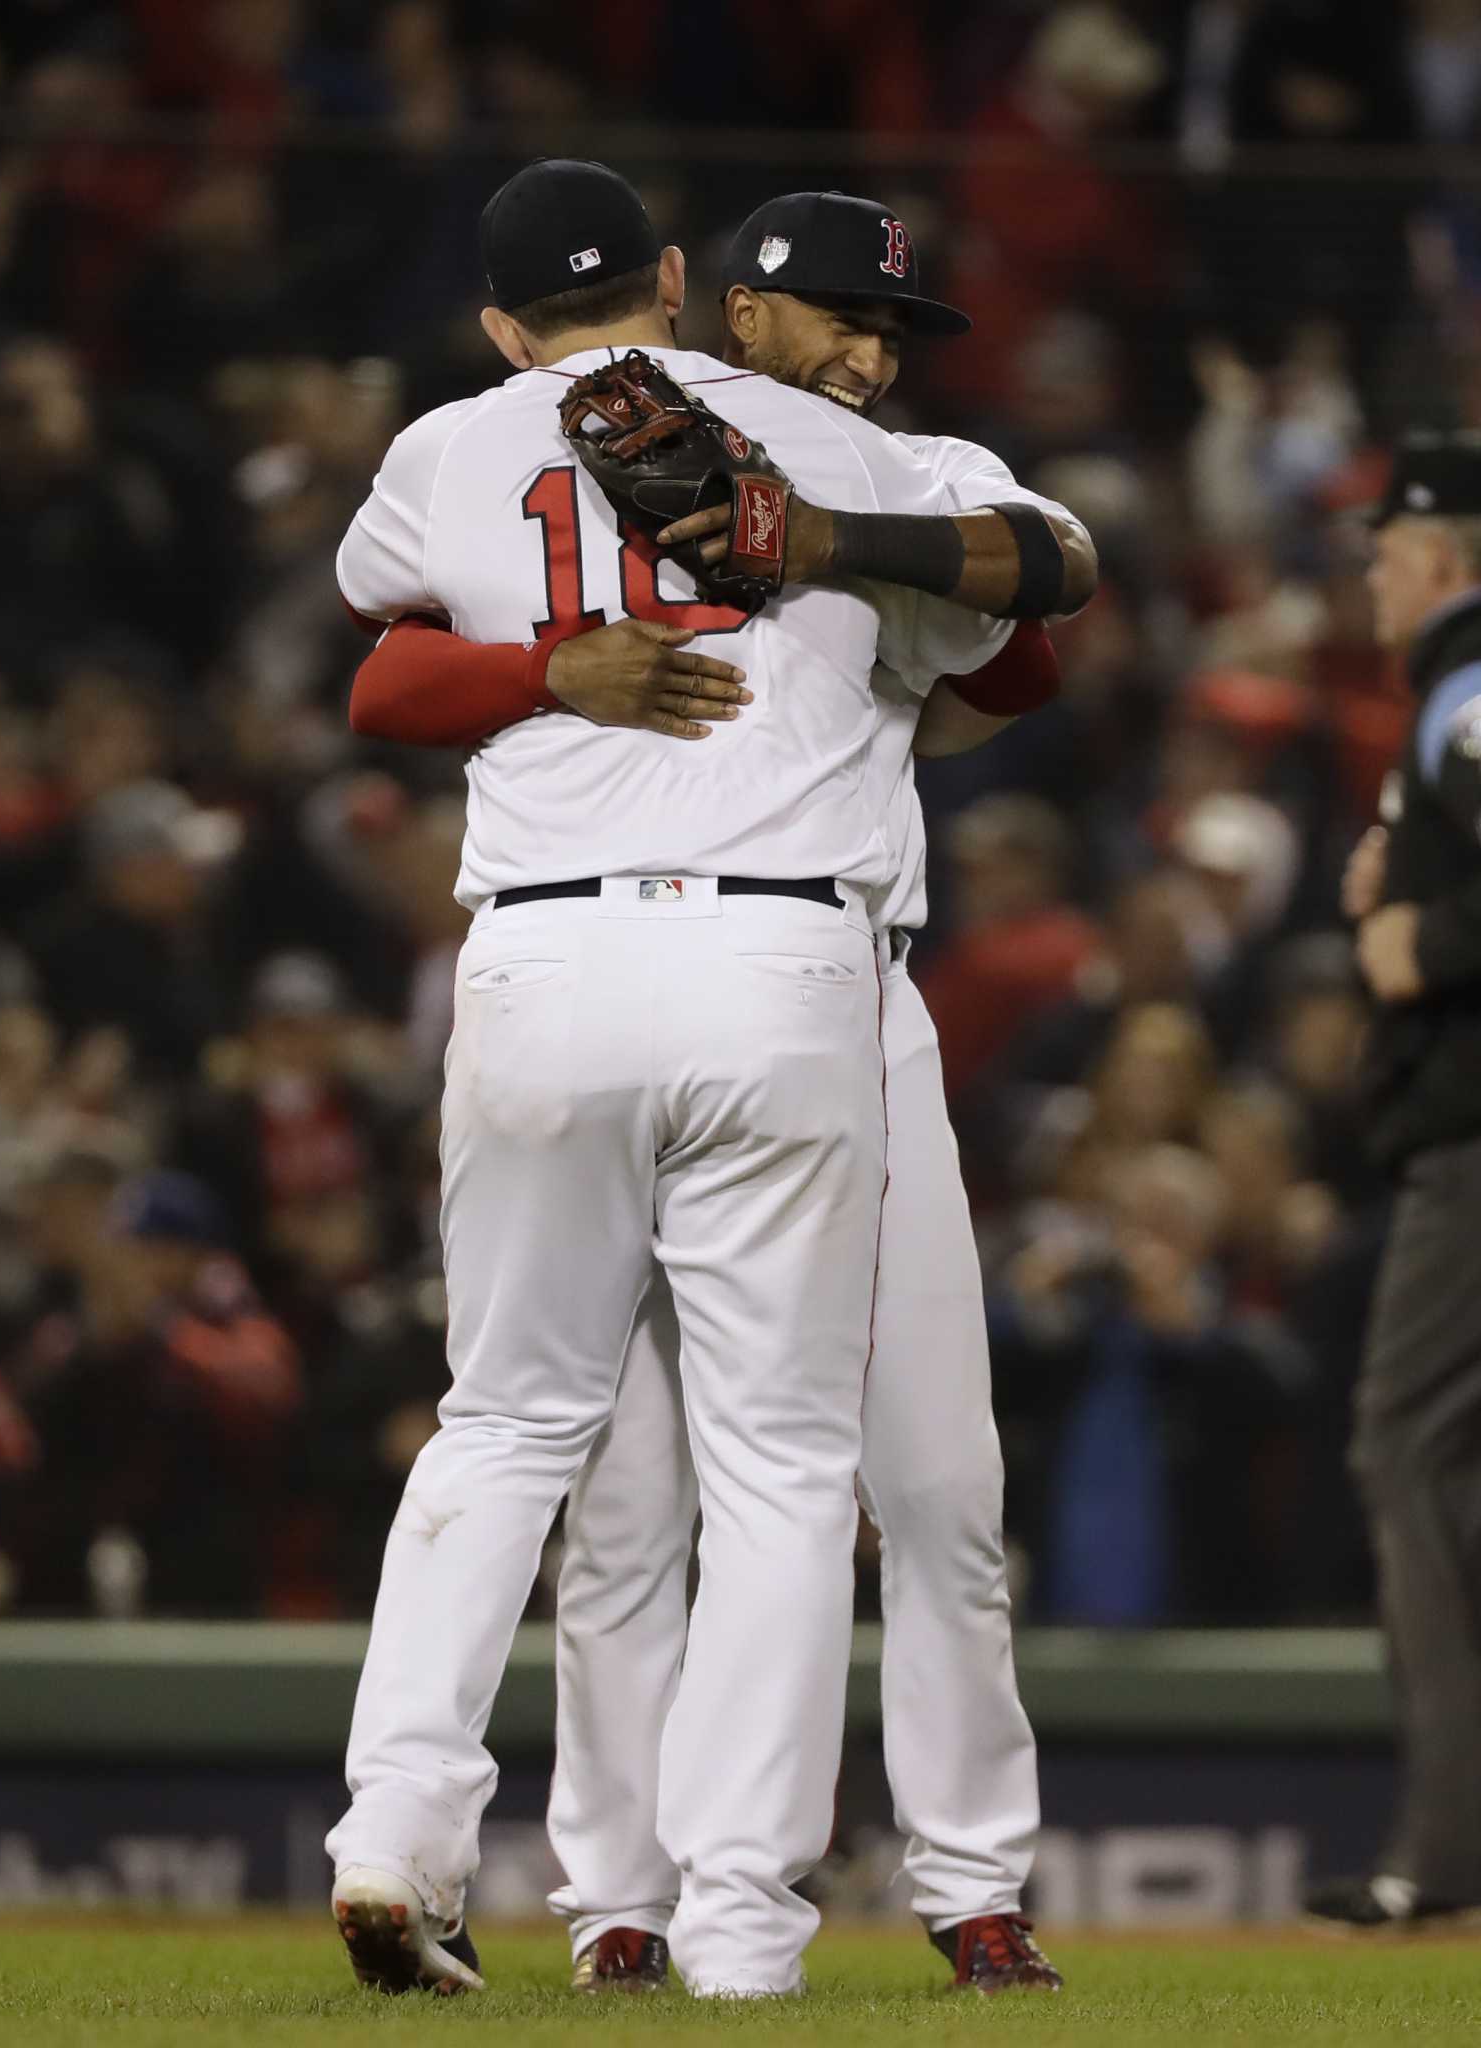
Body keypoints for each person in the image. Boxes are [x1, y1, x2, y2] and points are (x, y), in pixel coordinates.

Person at [325, 161, 1086, 2002]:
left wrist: (543, 664)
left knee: (509, 1431)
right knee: (776, 1475)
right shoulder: (863, 452)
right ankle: (730, 1925)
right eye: (864, 322)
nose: (879, 355)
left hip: (545, 959)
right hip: (779, 964)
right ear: (687, 283)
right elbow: (1052, 576)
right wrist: (817, 534)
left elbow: (375, 656)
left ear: (507, 322)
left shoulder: (446, 441)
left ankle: (392, 1838)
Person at [1307, 431, 1481, 1931]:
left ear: (1444, 557)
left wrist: (1416, 939)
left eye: (1385, 550)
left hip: (1476, 1145)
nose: (1370, 573)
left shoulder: (1467, 676)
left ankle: (1450, 1850)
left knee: (1406, 1452)